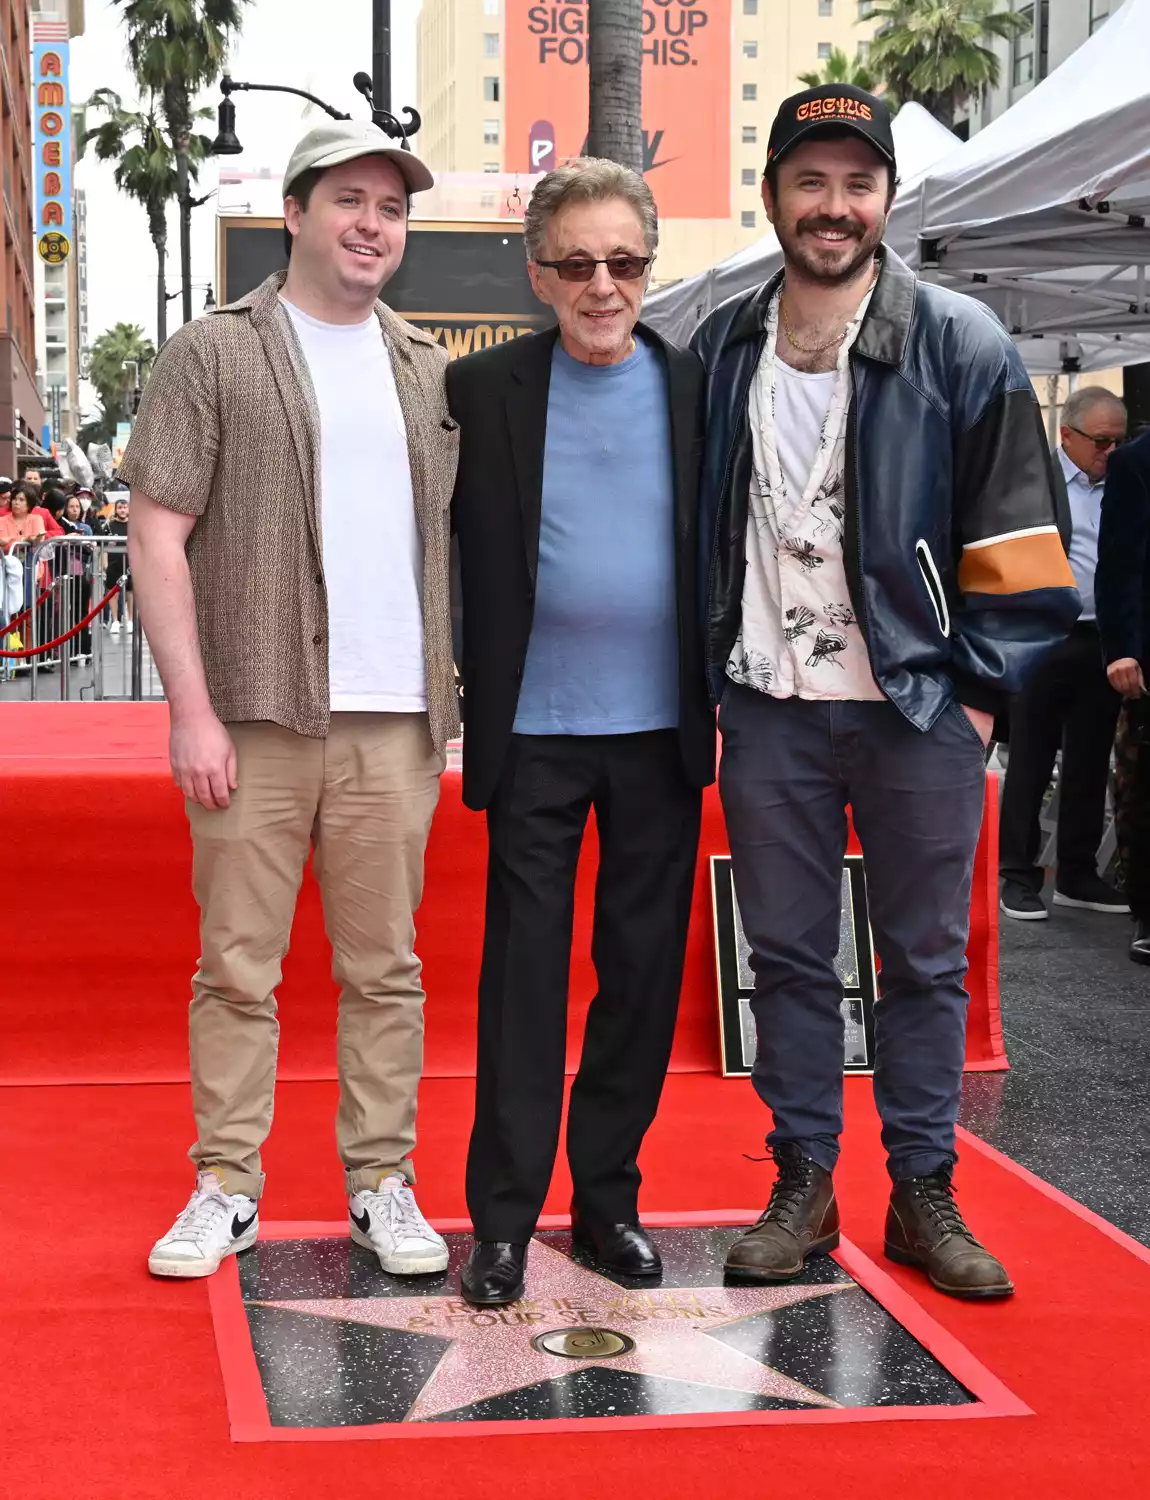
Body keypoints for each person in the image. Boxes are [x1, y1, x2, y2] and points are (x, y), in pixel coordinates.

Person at [692, 84, 1079, 1301]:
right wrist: (711, 676)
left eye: (857, 183)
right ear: (772, 197)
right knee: (790, 961)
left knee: (923, 963)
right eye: (812, 181)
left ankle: (922, 1190)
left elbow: (1021, 545)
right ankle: (803, 1181)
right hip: (767, 708)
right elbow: (698, 527)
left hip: (916, 709)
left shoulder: (957, 340)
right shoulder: (724, 343)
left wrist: (976, 697)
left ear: (886, 200)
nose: (834, 205)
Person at [120, 120, 460, 1281]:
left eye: (392, 207)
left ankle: (381, 1182)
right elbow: (156, 529)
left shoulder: (425, 366)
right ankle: (226, 1183)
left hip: (396, 719)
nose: (374, 224)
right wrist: (190, 711)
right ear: (298, 214)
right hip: (258, 709)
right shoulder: (212, 353)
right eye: (352, 201)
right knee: (237, 967)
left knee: (386, 970)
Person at [447, 159, 715, 1307]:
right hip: (536, 731)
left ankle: (607, 1200)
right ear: (538, 273)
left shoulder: (697, 386)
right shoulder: (481, 390)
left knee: (641, 978)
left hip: (661, 732)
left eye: (624, 262)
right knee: (522, 982)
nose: (602, 285)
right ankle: (502, 1222)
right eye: (577, 264)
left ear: (648, 267)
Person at [999, 388, 1128, 920]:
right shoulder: (1032, 478)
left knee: (1090, 758)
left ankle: (1077, 873)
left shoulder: (1124, 482)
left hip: (1103, 639)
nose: (1110, 452)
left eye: (1119, 441)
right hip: (1043, 635)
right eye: (1100, 441)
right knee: (1030, 757)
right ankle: (1016, 874)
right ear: (1066, 435)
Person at [1096, 426, 1150, 965]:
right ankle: (1147, 911)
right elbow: (1116, 564)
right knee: (1143, 788)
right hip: (1145, 654)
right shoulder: (1136, 462)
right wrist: (1120, 649)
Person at [104, 495, 133, 636]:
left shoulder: (134, 524)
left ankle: (130, 621)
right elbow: (103, 545)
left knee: (130, 593)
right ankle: (115, 620)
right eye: (120, 508)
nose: (122, 510)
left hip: (131, 563)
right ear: (115, 510)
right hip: (113, 563)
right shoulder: (109, 525)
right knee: (113, 592)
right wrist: (104, 564)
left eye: (124, 507)